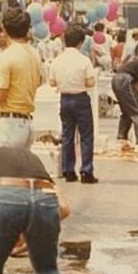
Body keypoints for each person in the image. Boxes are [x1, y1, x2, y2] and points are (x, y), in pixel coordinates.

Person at [0, 9, 42, 149]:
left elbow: (0, 94)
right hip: (27, 121)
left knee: (1, 169)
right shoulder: (34, 54)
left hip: (9, 123)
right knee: (20, 169)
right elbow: (39, 82)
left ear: (4, 28)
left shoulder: (6, 56)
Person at [49, 25, 97, 184]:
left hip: (65, 99)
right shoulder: (84, 60)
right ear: (81, 42)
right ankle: (86, 171)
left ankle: (68, 170)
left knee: (67, 135)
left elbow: (52, 82)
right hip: (81, 99)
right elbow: (90, 82)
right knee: (86, 136)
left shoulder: (57, 60)